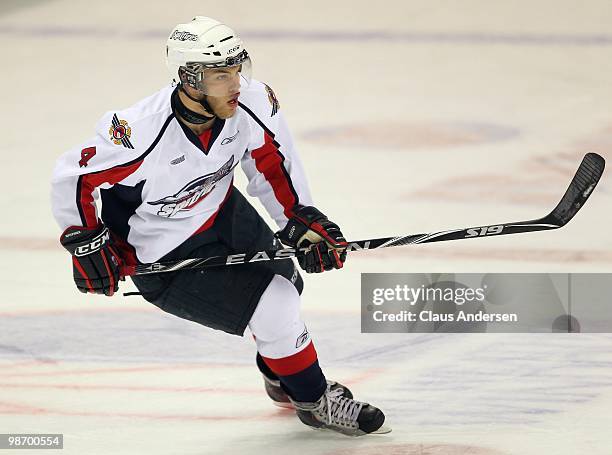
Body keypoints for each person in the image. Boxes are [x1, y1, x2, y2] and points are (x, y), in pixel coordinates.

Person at [51, 16, 389, 436]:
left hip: (223, 214)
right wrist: (86, 242)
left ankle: (283, 374)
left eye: (237, 68)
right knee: (277, 303)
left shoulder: (251, 101)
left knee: (287, 284)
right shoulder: (138, 131)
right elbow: (73, 178)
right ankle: (314, 400)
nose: (235, 84)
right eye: (220, 75)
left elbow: (268, 160)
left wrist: (300, 219)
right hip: (161, 251)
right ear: (190, 79)